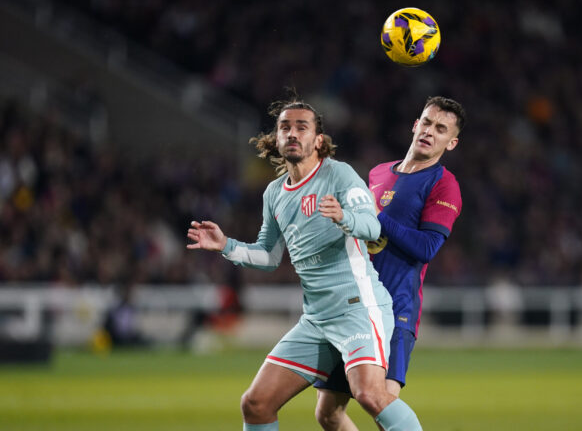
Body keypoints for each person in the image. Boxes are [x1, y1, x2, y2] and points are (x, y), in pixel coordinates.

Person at [186, 98, 422, 431]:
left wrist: (345, 217)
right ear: (277, 138)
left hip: (358, 308)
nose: (292, 133)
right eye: (285, 127)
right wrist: (227, 246)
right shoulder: (274, 193)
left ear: (319, 140)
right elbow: (269, 257)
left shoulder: (339, 175)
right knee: (255, 404)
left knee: (369, 394)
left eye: (302, 127)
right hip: (316, 320)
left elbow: (372, 226)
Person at [314, 96, 464, 430]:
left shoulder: (444, 184)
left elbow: (426, 248)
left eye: (441, 129)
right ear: (415, 124)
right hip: (353, 305)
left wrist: (377, 217)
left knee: (383, 406)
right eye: (426, 122)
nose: (430, 131)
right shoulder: (379, 172)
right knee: (328, 413)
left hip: (396, 307)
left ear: (451, 143)